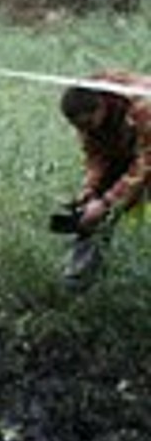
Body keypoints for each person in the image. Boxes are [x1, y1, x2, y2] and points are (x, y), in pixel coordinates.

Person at [56, 72, 151, 287]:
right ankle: (78, 278)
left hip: (147, 145)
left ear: (101, 108)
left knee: (107, 202)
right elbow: (96, 155)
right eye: (78, 127)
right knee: (92, 208)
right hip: (132, 145)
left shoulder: (142, 106)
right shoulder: (87, 109)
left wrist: (107, 202)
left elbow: (146, 163)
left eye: (88, 124)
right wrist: (90, 190)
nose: (83, 131)